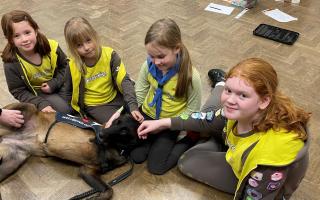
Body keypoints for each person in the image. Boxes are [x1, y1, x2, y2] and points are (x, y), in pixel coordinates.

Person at [137, 58, 311, 199]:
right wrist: (162, 122)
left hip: (255, 176)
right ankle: (220, 85)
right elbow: (204, 119)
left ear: (264, 101)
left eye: (242, 95)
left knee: (187, 161)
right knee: (209, 115)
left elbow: (256, 194)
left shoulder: (270, 158)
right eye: (228, 90)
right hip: (237, 149)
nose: (230, 100)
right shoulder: (247, 110)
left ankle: (215, 135)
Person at [131, 18, 202, 175]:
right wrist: (134, 110)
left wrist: (164, 125)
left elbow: (193, 111)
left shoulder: (191, 76)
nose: (155, 62)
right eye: (151, 56)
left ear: (176, 48)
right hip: (148, 116)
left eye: (161, 56)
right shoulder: (148, 65)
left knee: (156, 167)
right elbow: (140, 92)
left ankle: (189, 139)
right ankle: (155, 142)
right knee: (136, 156)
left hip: (171, 122)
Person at [63, 17, 143, 124]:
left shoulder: (110, 55)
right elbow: (68, 92)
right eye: (79, 45)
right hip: (96, 106)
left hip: (115, 97)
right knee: (119, 124)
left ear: (95, 36)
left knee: (138, 112)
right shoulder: (72, 65)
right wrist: (76, 115)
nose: (86, 47)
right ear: (73, 48)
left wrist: (133, 106)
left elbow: (124, 80)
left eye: (88, 40)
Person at [1, 10, 70, 113]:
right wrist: (41, 104)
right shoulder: (11, 63)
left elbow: (66, 67)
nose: (24, 39)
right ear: (10, 40)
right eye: (17, 36)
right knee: (64, 110)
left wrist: (54, 84)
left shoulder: (52, 47)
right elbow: (18, 91)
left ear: (36, 30)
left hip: (59, 82)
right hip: (37, 94)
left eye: (27, 33)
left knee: (80, 99)